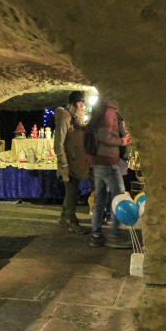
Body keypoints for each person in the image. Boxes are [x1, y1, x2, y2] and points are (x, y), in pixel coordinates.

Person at [88, 100, 131, 247]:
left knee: (100, 199)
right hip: (108, 162)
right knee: (119, 198)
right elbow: (106, 136)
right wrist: (122, 141)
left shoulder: (98, 111)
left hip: (98, 161)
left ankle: (96, 235)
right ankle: (114, 236)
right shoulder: (109, 111)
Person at [53, 91, 89, 234]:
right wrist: (64, 165)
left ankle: (64, 218)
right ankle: (70, 221)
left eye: (83, 104)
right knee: (72, 192)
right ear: (73, 104)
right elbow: (59, 143)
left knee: (72, 191)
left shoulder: (74, 118)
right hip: (68, 164)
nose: (82, 107)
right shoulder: (64, 116)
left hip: (75, 163)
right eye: (80, 104)